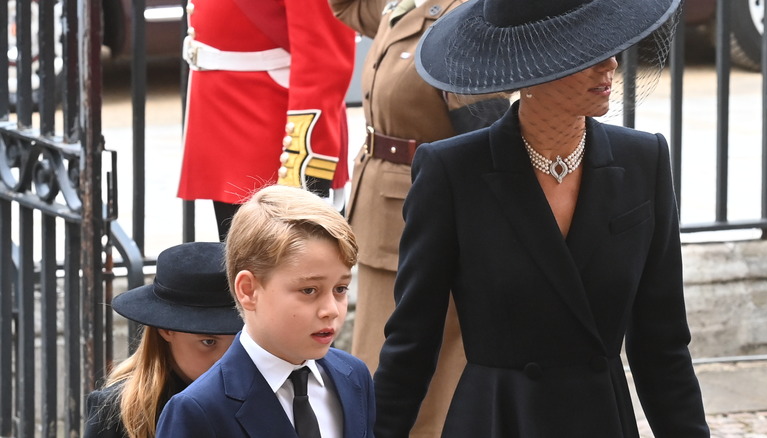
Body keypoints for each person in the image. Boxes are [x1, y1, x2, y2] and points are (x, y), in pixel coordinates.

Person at [372, 0, 711, 436]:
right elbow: (411, 344)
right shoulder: (453, 172)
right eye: (585, 52)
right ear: (533, 66)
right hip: (499, 419)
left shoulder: (643, 161)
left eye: (607, 46)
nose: (609, 63)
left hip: (600, 420)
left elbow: (663, 347)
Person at [328, 1, 507, 435]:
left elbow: (487, 138)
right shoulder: (403, 4)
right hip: (379, 216)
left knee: (418, 386)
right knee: (378, 374)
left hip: (424, 224)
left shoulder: (464, 15)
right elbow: (345, 6)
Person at [156, 184, 375, 438]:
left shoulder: (354, 376)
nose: (331, 310)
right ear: (248, 290)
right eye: (309, 290)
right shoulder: (199, 409)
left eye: (340, 289)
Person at [177, 0, 356, 240]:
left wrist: (303, 162)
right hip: (224, 115)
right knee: (239, 262)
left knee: (287, 263)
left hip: (270, 129)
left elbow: (323, 59)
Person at [84, 242, 243, 438]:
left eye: (238, 341)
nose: (225, 360)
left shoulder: (266, 396)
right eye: (209, 342)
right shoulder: (117, 411)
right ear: (166, 330)